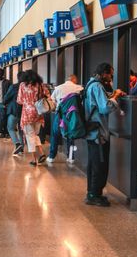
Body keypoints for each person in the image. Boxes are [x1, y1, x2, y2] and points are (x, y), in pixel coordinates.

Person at [83, 63, 125, 207]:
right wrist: (116, 97)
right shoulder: (97, 86)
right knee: (99, 164)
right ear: (104, 73)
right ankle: (94, 195)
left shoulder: (91, 84)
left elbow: (100, 101)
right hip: (98, 133)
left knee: (93, 163)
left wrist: (113, 95)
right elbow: (104, 107)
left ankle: (92, 192)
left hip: (92, 132)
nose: (111, 77)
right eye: (110, 74)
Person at [16, 70, 50, 167]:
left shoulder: (22, 85)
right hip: (38, 113)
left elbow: (19, 100)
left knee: (30, 136)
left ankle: (34, 159)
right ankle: (42, 153)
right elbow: (48, 96)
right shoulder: (40, 85)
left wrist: (28, 101)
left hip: (27, 114)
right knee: (35, 135)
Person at [47, 74, 83, 163]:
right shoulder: (79, 88)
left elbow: (52, 100)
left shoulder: (58, 88)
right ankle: (70, 157)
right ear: (74, 80)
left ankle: (51, 157)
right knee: (70, 134)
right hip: (72, 116)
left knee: (55, 135)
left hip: (60, 115)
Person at [2, 72, 24, 156]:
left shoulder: (14, 86)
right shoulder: (28, 87)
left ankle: (17, 144)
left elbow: (7, 97)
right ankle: (21, 148)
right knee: (21, 130)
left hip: (14, 110)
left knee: (10, 128)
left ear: (18, 78)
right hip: (24, 111)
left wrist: (4, 103)